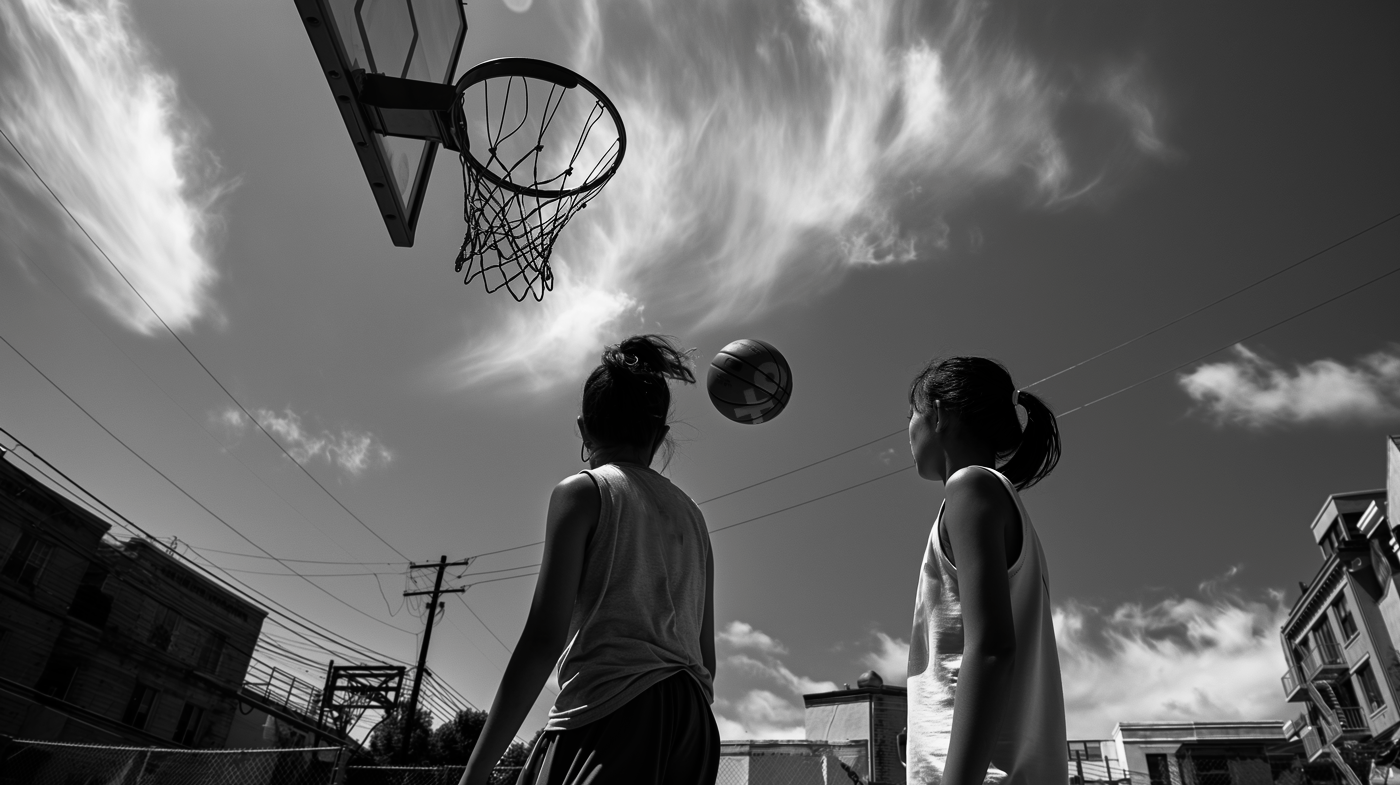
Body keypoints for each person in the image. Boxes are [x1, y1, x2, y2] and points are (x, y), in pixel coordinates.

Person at [459, 335, 719, 785]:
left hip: (616, 708)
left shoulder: (583, 493)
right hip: (695, 726)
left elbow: (544, 639)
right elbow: (706, 659)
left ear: (583, 428)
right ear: (660, 436)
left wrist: (475, 773)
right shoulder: (694, 517)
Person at [903, 357, 1066, 785]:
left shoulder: (970, 487)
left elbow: (992, 649)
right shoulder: (991, 496)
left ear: (937, 413)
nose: (908, 428)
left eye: (911, 414)